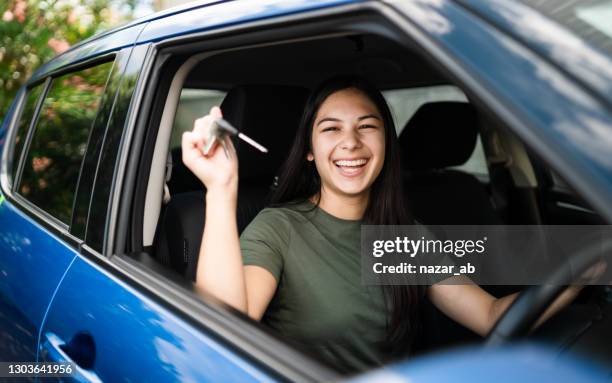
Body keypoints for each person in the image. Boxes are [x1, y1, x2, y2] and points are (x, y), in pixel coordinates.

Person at [181, 76, 584, 373]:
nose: (351, 143)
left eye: (366, 127)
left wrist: (585, 269)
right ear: (308, 151)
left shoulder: (404, 236)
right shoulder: (279, 227)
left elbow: (491, 314)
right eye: (331, 129)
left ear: (386, 144)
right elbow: (224, 326)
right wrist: (220, 189)